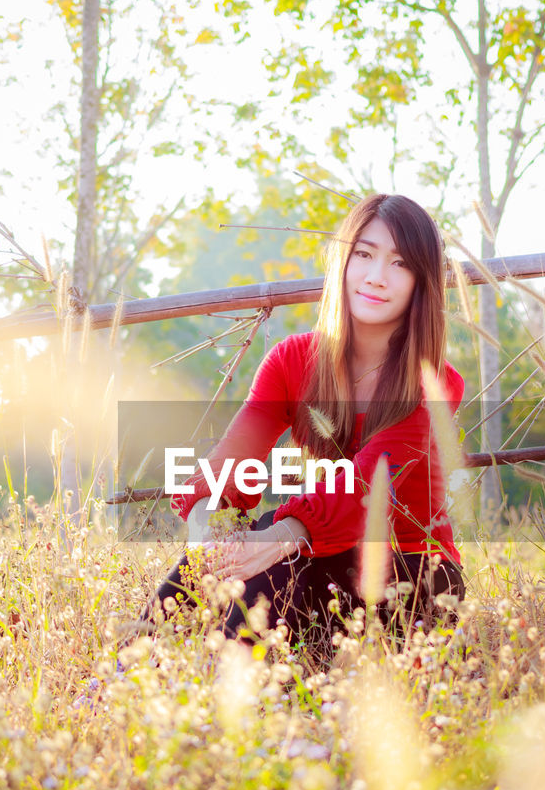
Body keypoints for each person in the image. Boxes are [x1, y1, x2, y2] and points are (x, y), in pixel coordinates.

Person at [151, 192, 465, 652]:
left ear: (422, 281)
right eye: (364, 254)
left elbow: (366, 490)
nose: (376, 277)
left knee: (275, 557)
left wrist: (276, 540)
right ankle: (132, 675)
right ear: (343, 261)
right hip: (317, 554)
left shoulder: (434, 381)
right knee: (228, 560)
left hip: (410, 572)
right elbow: (229, 467)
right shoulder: (292, 361)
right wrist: (206, 540)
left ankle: (235, 682)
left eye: (399, 264)